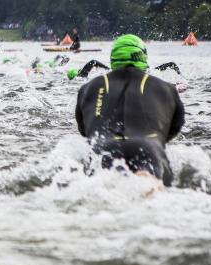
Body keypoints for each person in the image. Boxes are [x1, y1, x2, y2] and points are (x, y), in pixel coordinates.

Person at [74, 35, 185, 187]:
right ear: (143, 57)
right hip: (148, 148)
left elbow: (84, 130)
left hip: (105, 148)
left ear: (113, 58)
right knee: (150, 186)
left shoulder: (89, 87)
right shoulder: (167, 88)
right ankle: (146, 179)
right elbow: (173, 129)